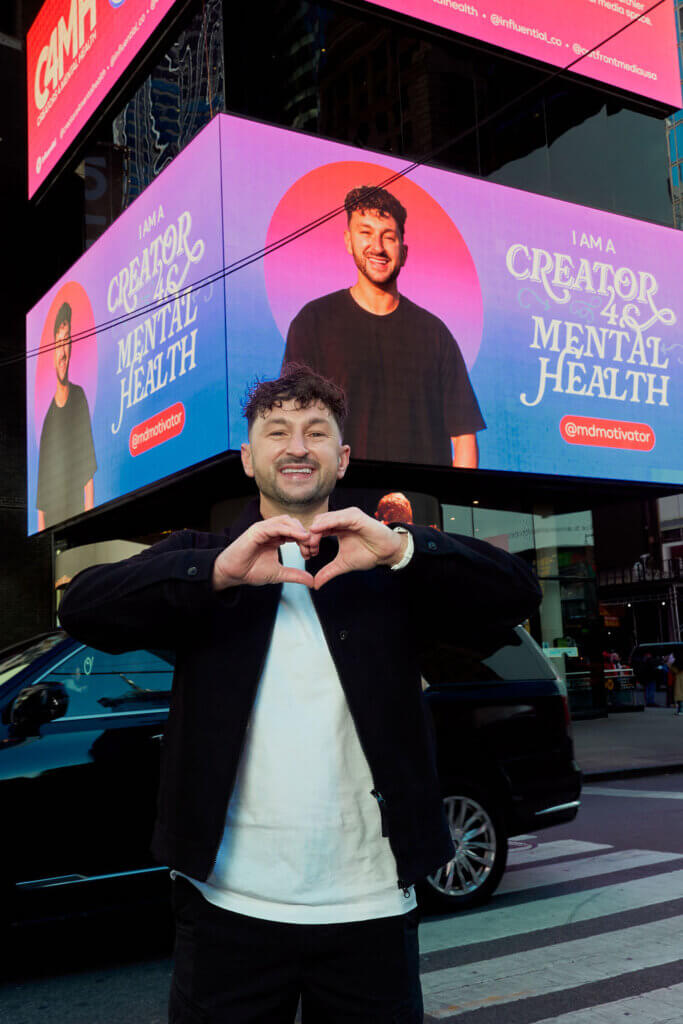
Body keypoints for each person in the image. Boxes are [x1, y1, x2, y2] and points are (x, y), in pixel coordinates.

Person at [58, 364, 540, 1023]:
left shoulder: (386, 563)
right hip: (227, 907)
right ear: (247, 459)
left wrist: (404, 549)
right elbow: (83, 609)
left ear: (340, 459)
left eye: (316, 432)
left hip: (371, 909)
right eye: (276, 431)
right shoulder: (205, 558)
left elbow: (516, 591)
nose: (295, 445)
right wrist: (214, 572)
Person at [282, 185, 485, 468]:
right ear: (348, 241)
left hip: (420, 505)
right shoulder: (313, 322)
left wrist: (456, 507)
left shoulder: (434, 334)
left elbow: (464, 439)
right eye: (365, 233)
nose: (377, 247)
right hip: (340, 506)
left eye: (388, 237)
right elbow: (294, 423)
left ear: (403, 251)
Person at [36, 301, 96, 530]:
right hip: (55, 532)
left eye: (67, 341)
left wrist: (90, 524)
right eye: (58, 343)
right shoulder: (47, 423)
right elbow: (41, 504)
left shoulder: (79, 398)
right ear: (52, 351)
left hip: (79, 525)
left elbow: (88, 475)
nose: (62, 352)